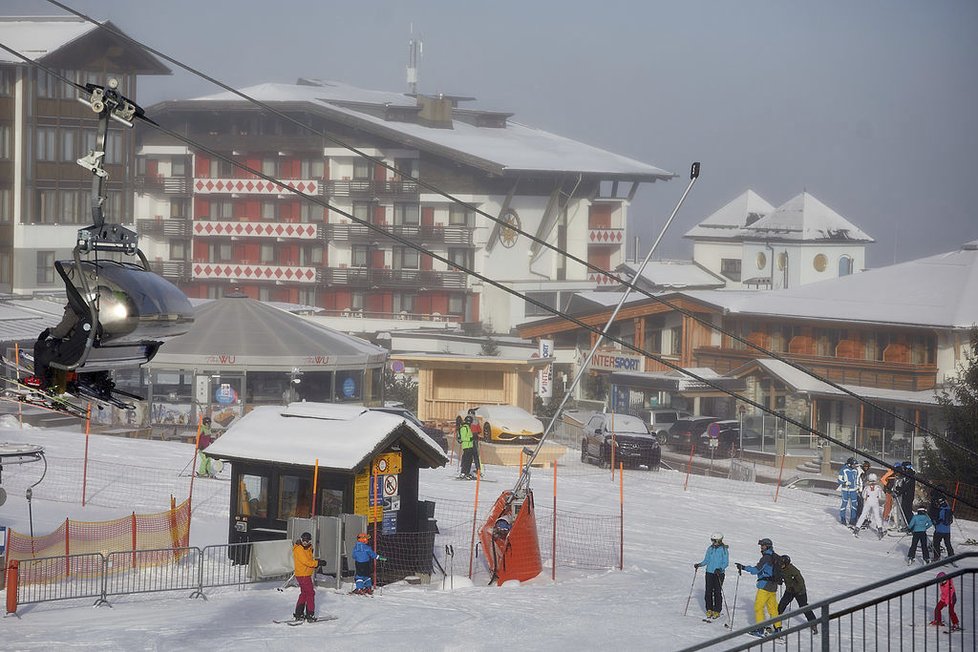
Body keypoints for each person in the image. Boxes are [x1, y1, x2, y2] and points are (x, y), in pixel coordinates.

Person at [736, 537, 782, 637]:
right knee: (773, 608)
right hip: (773, 586)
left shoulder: (766, 557)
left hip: (765, 586)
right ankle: (778, 628)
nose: (761, 547)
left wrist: (743, 567)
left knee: (758, 607)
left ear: (767, 546)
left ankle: (760, 629)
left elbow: (756, 570)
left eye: (763, 545)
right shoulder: (775, 557)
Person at [776, 555, 819, 634]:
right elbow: (782, 576)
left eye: (782, 563)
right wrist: (779, 579)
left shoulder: (794, 570)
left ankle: (813, 623)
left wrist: (795, 589)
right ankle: (776, 619)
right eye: (780, 563)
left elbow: (801, 582)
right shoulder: (782, 568)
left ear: (786, 563)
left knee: (803, 606)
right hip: (789, 590)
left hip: (800, 591)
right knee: (783, 603)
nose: (780, 565)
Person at [693, 532, 729, 620]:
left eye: (714, 540)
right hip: (709, 572)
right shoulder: (710, 548)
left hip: (719, 573)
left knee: (717, 591)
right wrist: (700, 564)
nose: (713, 542)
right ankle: (709, 609)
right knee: (708, 591)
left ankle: (717, 610)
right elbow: (707, 560)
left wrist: (720, 569)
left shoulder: (724, 550)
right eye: (712, 540)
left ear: (719, 540)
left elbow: (726, 562)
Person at [292, 532, 319, 621]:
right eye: (303, 540)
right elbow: (306, 561)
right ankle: (310, 614)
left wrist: (315, 562)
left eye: (307, 541)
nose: (305, 542)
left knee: (304, 593)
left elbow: (309, 559)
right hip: (303, 575)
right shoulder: (299, 549)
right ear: (301, 539)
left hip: (305, 574)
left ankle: (299, 613)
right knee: (310, 593)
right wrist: (317, 563)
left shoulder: (307, 548)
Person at [854, 473, 886, 539]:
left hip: (868, 502)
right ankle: (880, 530)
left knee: (863, 515)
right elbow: (880, 496)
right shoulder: (878, 487)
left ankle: (857, 528)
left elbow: (863, 495)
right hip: (875, 502)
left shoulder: (866, 487)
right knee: (877, 516)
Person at [837, 457, 860, 526]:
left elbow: (856, 479)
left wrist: (857, 486)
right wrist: (845, 483)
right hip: (845, 490)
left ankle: (852, 520)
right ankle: (843, 518)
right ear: (850, 464)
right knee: (844, 504)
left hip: (853, 490)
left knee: (854, 505)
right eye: (853, 465)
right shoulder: (843, 470)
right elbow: (839, 480)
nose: (854, 466)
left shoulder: (855, 470)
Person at [932, 497, 955, 562]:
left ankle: (936, 557)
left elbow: (936, 520)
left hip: (939, 530)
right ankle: (951, 556)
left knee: (936, 543)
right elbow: (951, 521)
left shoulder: (939, 509)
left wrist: (935, 522)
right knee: (948, 543)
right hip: (947, 531)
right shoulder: (949, 509)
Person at [457, 415, 476, 479]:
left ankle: (467, 473)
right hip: (466, 447)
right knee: (466, 460)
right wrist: (471, 438)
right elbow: (463, 438)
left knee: (469, 460)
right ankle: (463, 473)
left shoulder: (467, 427)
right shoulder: (464, 428)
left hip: (470, 446)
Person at [467, 408, 483, 476]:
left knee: (468, 454)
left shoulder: (467, 419)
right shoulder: (476, 420)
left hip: (468, 438)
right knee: (476, 454)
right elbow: (479, 430)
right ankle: (478, 469)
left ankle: (466, 469)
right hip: (475, 438)